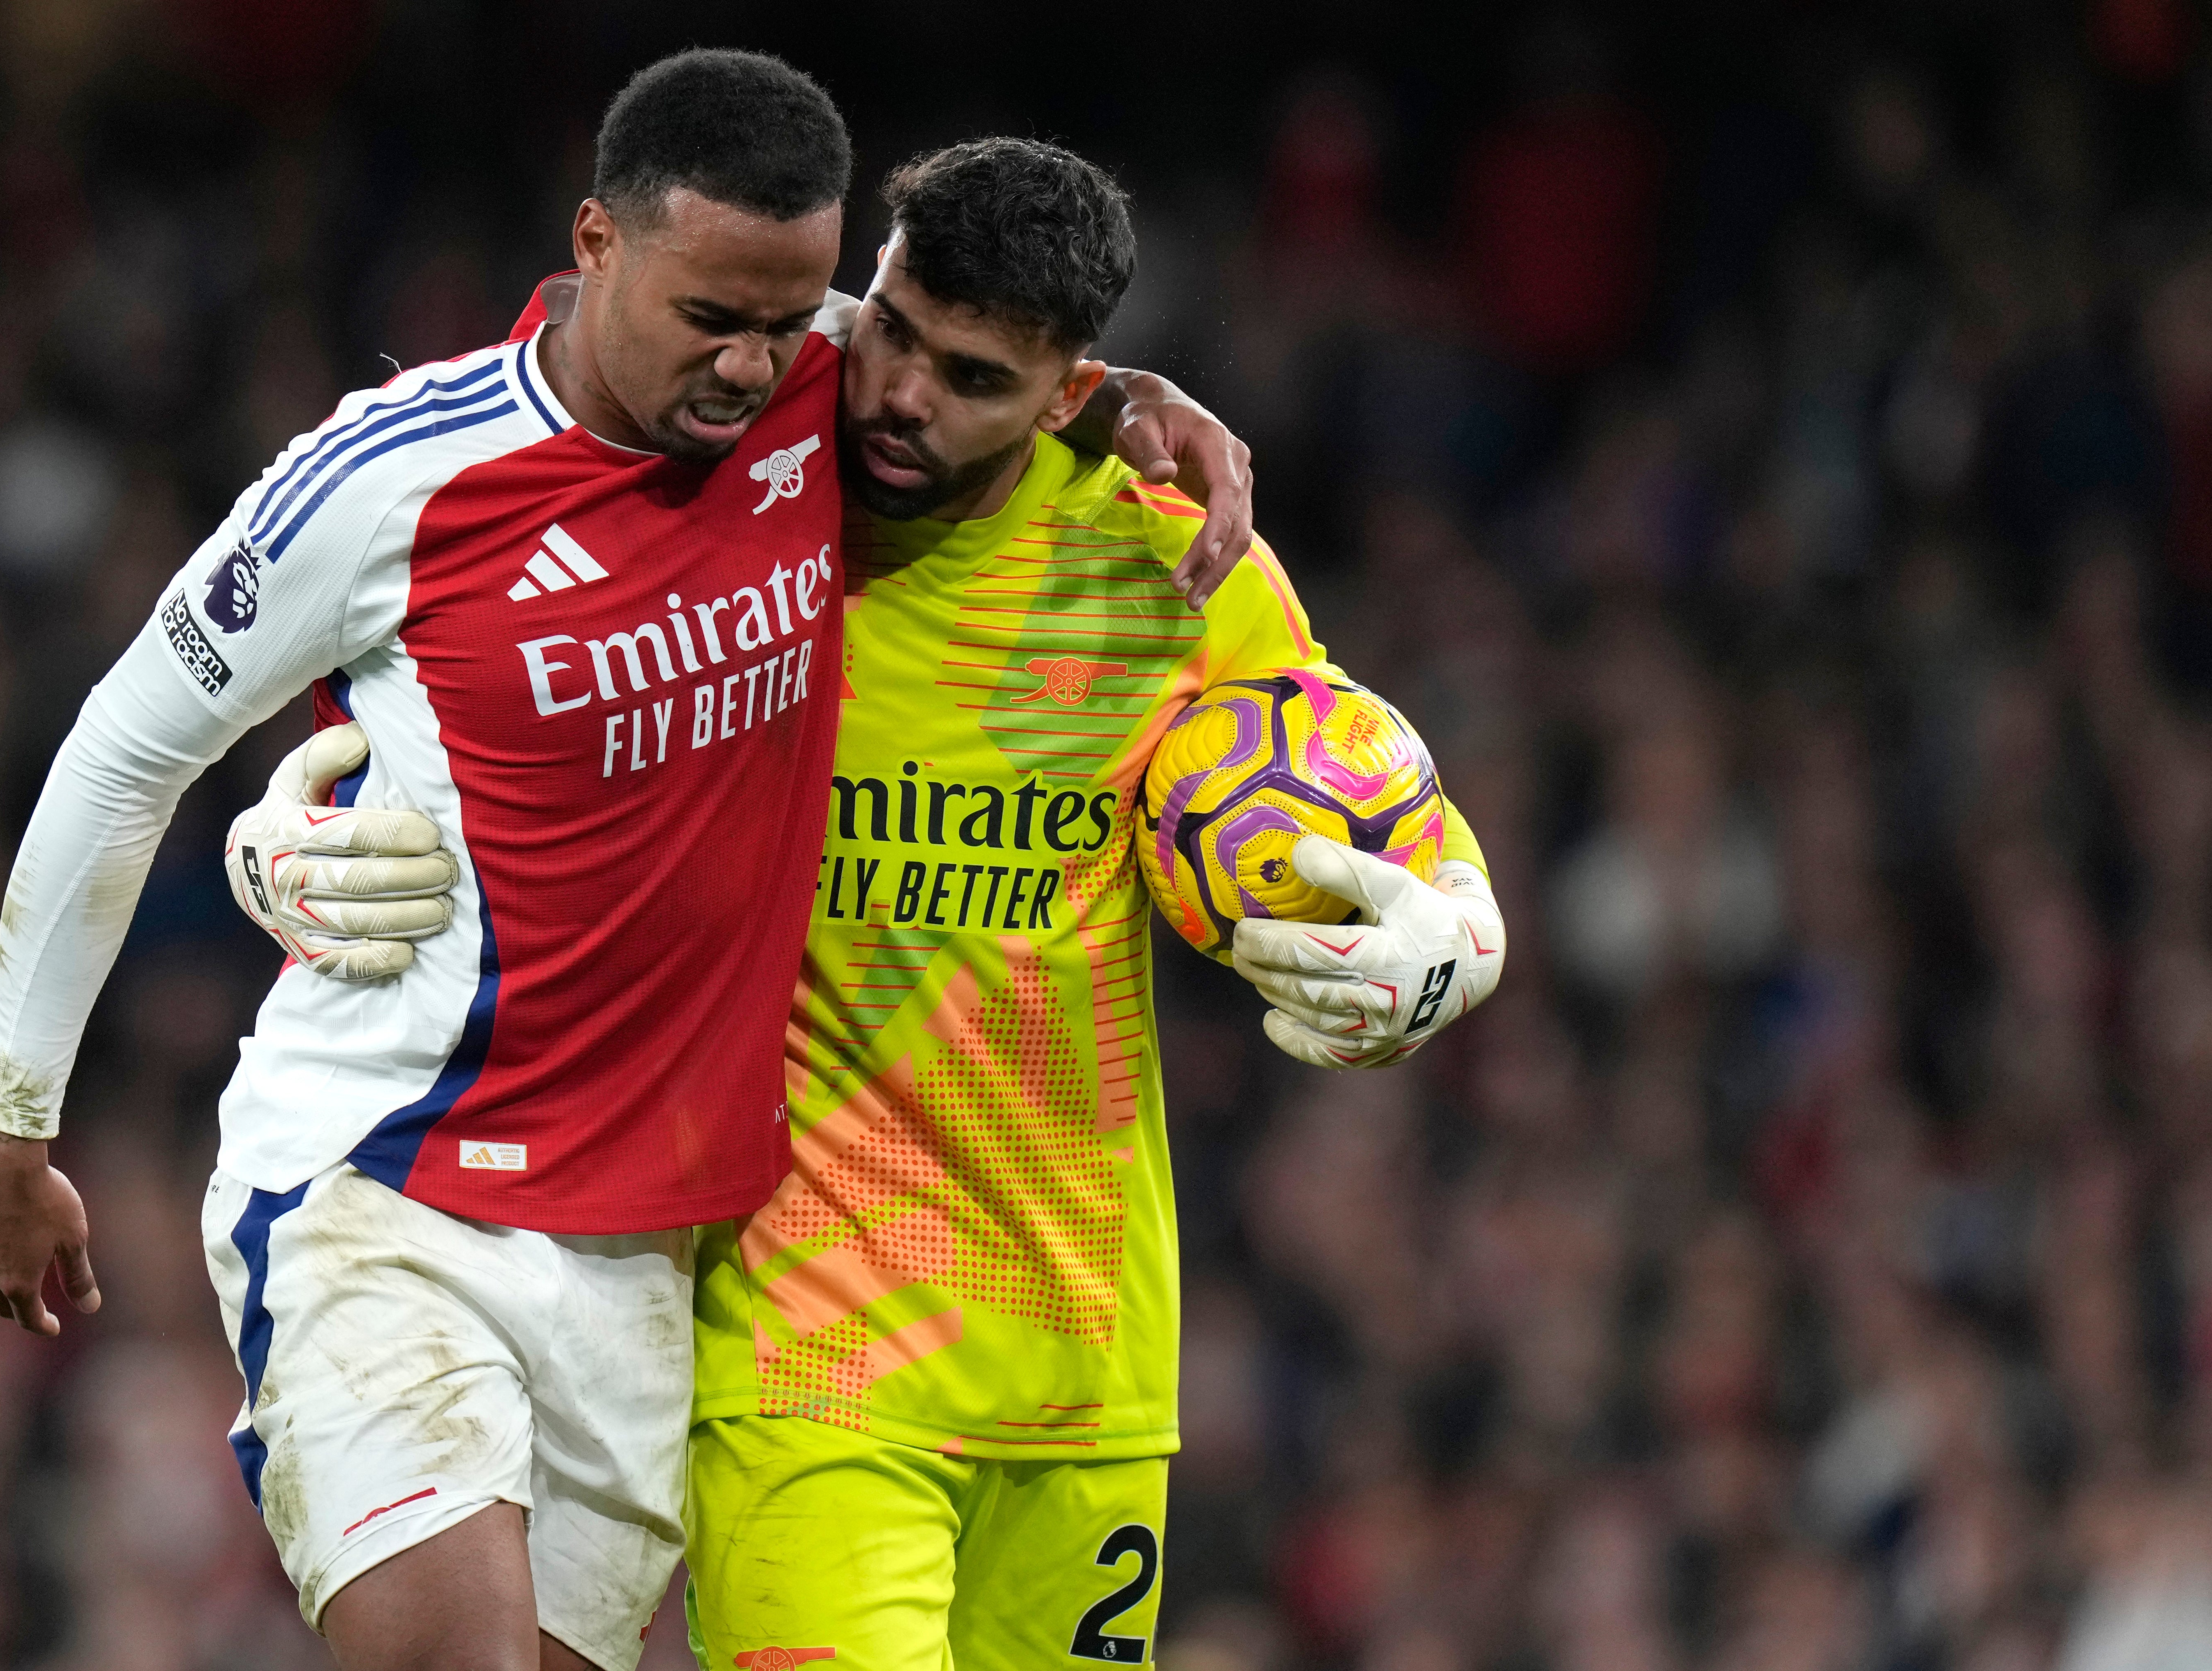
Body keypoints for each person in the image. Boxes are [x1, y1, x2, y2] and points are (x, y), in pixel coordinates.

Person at [0, 51, 1254, 1671]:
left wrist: (1126, 397)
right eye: (711, 314)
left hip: (643, 1258)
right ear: (595, 243)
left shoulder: (818, 395)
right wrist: (12, 1115)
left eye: (790, 319)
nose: (755, 362)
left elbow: (967, 360)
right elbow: (130, 742)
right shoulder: (390, 481)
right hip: (392, 1175)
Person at [241, 136, 1504, 1671]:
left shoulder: (1165, 559)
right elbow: (457, 611)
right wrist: (304, 810)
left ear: (1062, 389)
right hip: (802, 1345)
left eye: (971, 378)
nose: (899, 394)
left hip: (1083, 1351)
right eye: (891, 330)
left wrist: (1458, 929)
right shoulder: (733, 512)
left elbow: (1341, 765)